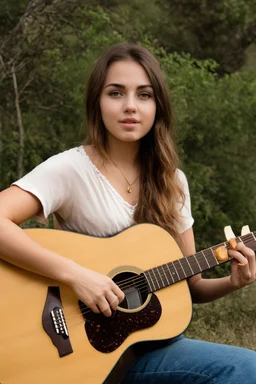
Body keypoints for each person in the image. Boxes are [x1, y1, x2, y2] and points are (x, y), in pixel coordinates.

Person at [0, 42, 255, 384]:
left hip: (151, 349)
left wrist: (232, 282)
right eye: (116, 93)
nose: (130, 106)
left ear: (158, 106)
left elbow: (191, 285)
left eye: (144, 95)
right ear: (97, 102)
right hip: (84, 357)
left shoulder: (173, 182)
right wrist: (77, 276)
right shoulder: (70, 169)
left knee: (245, 368)